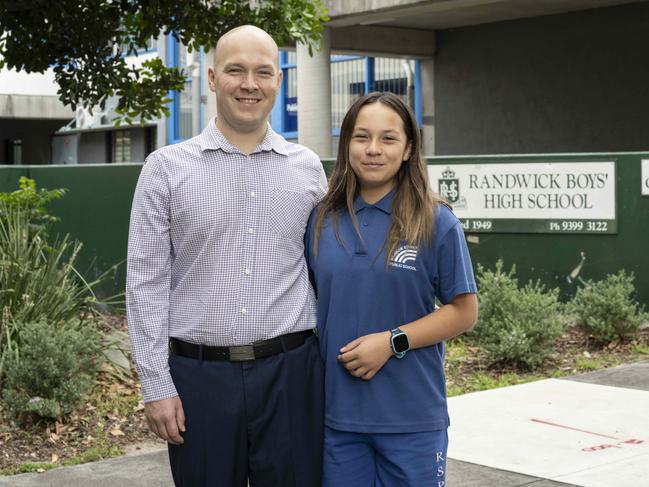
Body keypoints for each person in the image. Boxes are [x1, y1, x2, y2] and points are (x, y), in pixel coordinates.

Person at [127, 25, 327, 487]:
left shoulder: (308, 170)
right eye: (236, 71)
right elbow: (145, 283)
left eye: (263, 72)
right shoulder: (166, 169)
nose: (249, 84)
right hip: (201, 380)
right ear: (214, 79)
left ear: (279, 80)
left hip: (292, 375)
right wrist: (156, 386)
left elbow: (326, 269)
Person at [306, 92, 478, 487]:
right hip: (337, 420)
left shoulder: (436, 221)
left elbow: (464, 311)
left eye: (388, 139)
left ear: (408, 149)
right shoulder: (320, 220)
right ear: (346, 142)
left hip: (412, 419)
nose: (373, 150)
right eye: (361, 137)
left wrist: (392, 342)